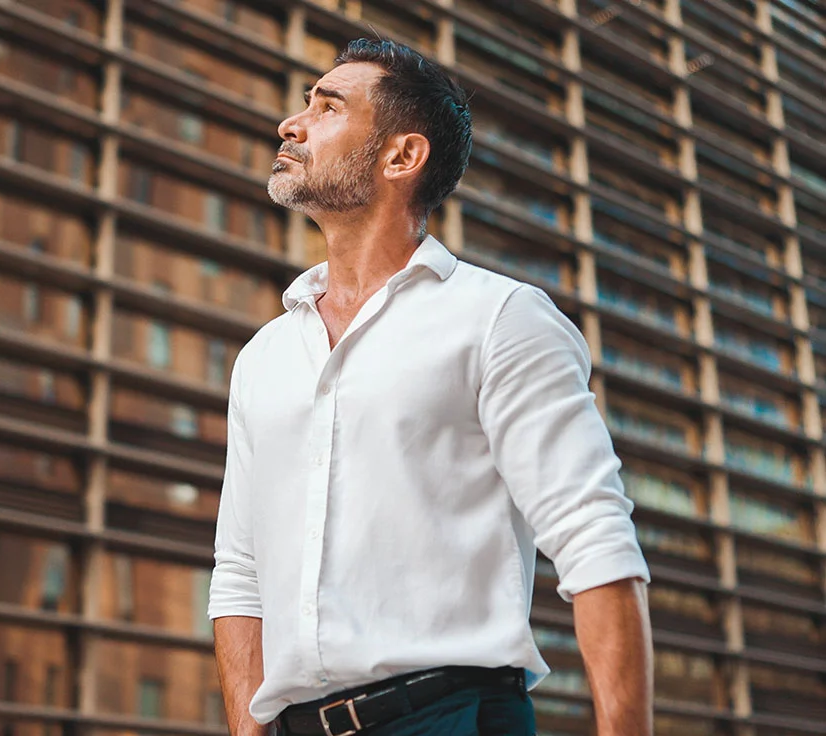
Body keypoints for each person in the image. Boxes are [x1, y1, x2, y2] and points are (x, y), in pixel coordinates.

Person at [207, 38, 653, 736]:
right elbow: (239, 572)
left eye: (327, 108)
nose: (290, 124)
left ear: (401, 157)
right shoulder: (265, 355)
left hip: (452, 716)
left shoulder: (499, 319)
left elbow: (595, 540)